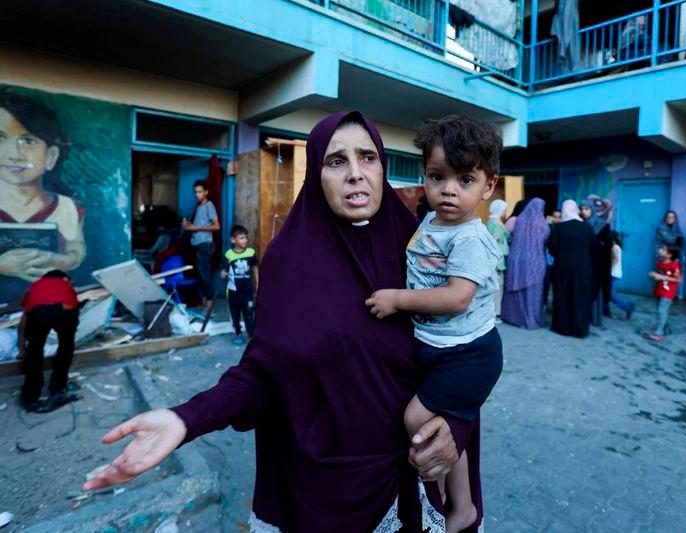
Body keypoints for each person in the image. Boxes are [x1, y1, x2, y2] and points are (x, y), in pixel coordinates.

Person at [84, 112, 479, 532]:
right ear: (315, 176)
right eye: (336, 161)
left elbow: (469, 351)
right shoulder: (289, 263)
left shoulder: (428, 251)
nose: (356, 174)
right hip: (325, 485)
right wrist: (186, 419)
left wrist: (452, 424)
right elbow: (264, 373)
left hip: (421, 477)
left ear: (383, 166)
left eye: (367, 157)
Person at [366, 115, 503, 532]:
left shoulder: (470, 239)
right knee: (433, 423)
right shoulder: (430, 223)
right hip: (442, 349)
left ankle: (453, 501)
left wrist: (397, 300)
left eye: (465, 180)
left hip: (469, 355)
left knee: (417, 419)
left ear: (488, 186)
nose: (448, 190)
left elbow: (457, 298)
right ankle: (446, 497)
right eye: (437, 176)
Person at [0, 90, 86, 302]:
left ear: (51, 156)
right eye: (0, 138)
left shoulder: (67, 207)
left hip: (49, 306)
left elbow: (76, 252)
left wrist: (56, 260)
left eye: (28, 140)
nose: (14, 153)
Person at [17, 270, 82, 413]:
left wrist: (22, 349)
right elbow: (75, 307)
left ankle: (30, 395)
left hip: (38, 312)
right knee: (66, 346)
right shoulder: (67, 286)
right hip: (65, 308)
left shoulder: (36, 285)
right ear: (65, 279)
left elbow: (25, 317)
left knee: (34, 350)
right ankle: (58, 388)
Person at [547, 200, 596, 338]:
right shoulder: (586, 227)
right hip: (582, 268)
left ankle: (562, 328)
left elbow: (552, 246)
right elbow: (593, 246)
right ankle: (579, 329)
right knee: (580, 297)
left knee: (563, 296)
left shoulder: (559, 228)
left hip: (562, 267)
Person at [501, 197, 550, 330]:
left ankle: (514, 318)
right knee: (533, 291)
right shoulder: (542, 224)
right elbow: (547, 240)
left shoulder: (519, 220)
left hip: (516, 259)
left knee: (516, 289)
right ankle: (531, 319)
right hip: (535, 261)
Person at [181, 179, 219, 309]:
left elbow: (216, 226)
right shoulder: (198, 207)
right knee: (199, 273)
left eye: (200, 192)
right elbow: (197, 226)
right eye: (195, 192)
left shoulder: (209, 206)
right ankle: (204, 299)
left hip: (205, 245)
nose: (197, 194)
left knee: (205, 274)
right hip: (197, 244)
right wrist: (188, 226)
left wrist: (195, 228)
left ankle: (209, 301)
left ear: (206, 192)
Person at [220, 225, 259, 346]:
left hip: (247, 291)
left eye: (245, 238)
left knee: (248, 313)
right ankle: (238, 333)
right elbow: (222, 272)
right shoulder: (228, 255)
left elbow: (255, 269)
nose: (245, 241)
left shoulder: (250, 253)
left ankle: (252, 336)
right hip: (233, 291)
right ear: (233, 240)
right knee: (235, 314)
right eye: (241, 238)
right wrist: (223, 274)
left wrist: (257, 285)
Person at [580, 199, 612, 323]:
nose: (584, 212)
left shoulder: (603, 225)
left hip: (596, 263)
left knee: (594, 289)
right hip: (583, 261)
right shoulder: (580, 223)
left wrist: (595, 244)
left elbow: (607, 244)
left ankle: (593, 317)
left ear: (592, 210)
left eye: (586, 209)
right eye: (582, 209)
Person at [647, 245, 682, 342]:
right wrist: (654, 275)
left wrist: (663, 277)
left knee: (661, 311)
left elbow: (678, 279)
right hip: (659, 290)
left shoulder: (674, 265)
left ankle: (658, 333)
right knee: (661, 311)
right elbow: (660, 274)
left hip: (668, 292)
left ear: (670, 255)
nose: (660, 250)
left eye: (663, 250)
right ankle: (664, 328)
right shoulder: (659, 262)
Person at [485, 198, 510, 319]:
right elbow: (494, 242)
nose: (505, 212)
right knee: (497, 286)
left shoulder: (495, 221)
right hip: (497, 260)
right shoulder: (495, 223)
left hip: (496, 259)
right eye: (504, 209)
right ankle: (495, 313)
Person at [609, 231, 635, 320]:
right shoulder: (616, 246)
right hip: (615, 273)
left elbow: (615, 259)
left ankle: (627, 305)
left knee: (610, 294)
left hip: (613, 273)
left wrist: (609, 270)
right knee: (608, 293)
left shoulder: (614, 247)